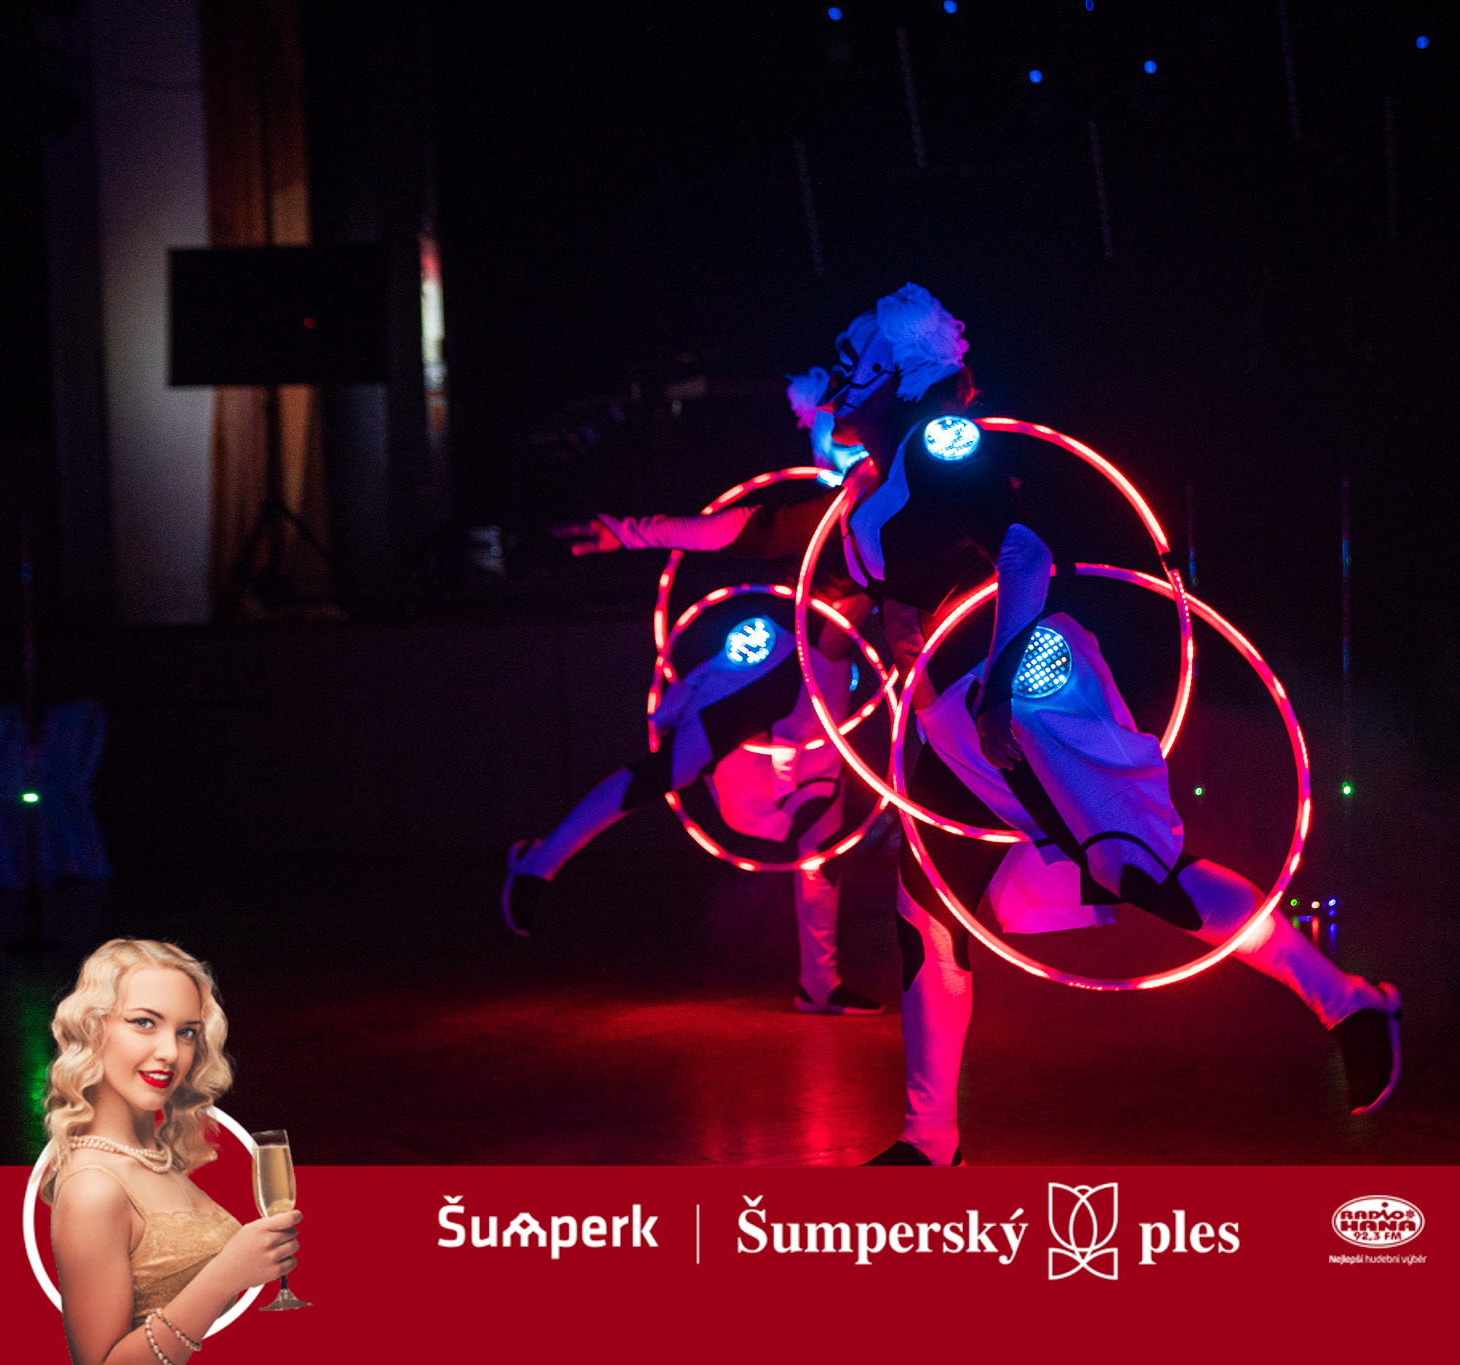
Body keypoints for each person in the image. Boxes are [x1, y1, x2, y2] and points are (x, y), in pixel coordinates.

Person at [811, 283, 1403, 1165]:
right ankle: (928, 1139)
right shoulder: (880, 478)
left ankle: (1347, 1000)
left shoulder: (941, 443)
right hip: (947, 715)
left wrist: (1001, 685)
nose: (838, 389)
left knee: (1138, 870)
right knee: (927, 905)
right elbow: (889, 573)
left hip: (1026, 684)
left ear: (892, 373)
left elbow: (1025, 549)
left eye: (853, 368)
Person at [501, 373, 883, 1016]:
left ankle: (818, 984)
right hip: (781, 665)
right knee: (673, 768)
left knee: (821, 838)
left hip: (828, 684)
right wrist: (628, 531)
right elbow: (737, 529)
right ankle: (540, 861)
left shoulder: (916, 506)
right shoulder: (842, 506)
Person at [41, 939, 301, 1365]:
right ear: (92, 1027)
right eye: (144, 1022)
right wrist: (224, 1276)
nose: (170, 1053)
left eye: (186, 1032)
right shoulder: (94, 1190)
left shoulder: (158, 1158)